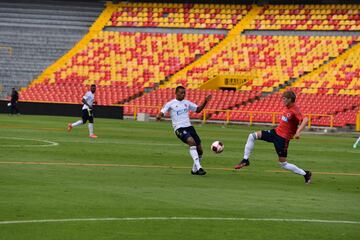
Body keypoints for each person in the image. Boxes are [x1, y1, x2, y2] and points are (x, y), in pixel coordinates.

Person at [234, 90, 312, 184]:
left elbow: (306, 119)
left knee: (283, 164)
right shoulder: (287, 107)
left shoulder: (294, 110)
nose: (282, 100)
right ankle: (245, 160)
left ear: (290, 99)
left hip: (282, 139)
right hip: (275, 132)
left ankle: (306, 174)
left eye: (284, 99)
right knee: (252, 136)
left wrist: (298, 132)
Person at [156, 86, 212, 175]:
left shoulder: (187, 103)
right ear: (176, 93)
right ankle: (199, 167)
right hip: (179, 128)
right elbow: (162, 111)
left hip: (189, 127)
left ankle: (194, 170)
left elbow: (198, 110)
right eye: (181, 93)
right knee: (191, 142)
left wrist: (205, 101)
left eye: (184, 93)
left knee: (200, 150)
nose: (183, 94)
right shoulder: (171, 104)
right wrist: (159, 115)